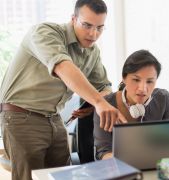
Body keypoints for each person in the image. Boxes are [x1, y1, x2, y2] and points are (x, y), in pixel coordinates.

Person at [0, 0, 126, 179]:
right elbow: (63, 67)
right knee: (29, 176)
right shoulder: (45, 32)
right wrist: (98, 101)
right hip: (21, 116)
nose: (93, 34)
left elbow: (103, 86)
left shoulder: (92, 51)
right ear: (73, 19)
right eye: (87, 25)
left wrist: (95, 101)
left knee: (63, 176)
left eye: (100, 28)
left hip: (55, 119)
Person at [93, 49, 169, 160]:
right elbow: (103, 152)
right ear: (124, 78)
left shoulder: (164, 98)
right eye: (136, 80)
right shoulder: (106, 104)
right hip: (118, 168)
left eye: (150, 81)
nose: (143, 89)